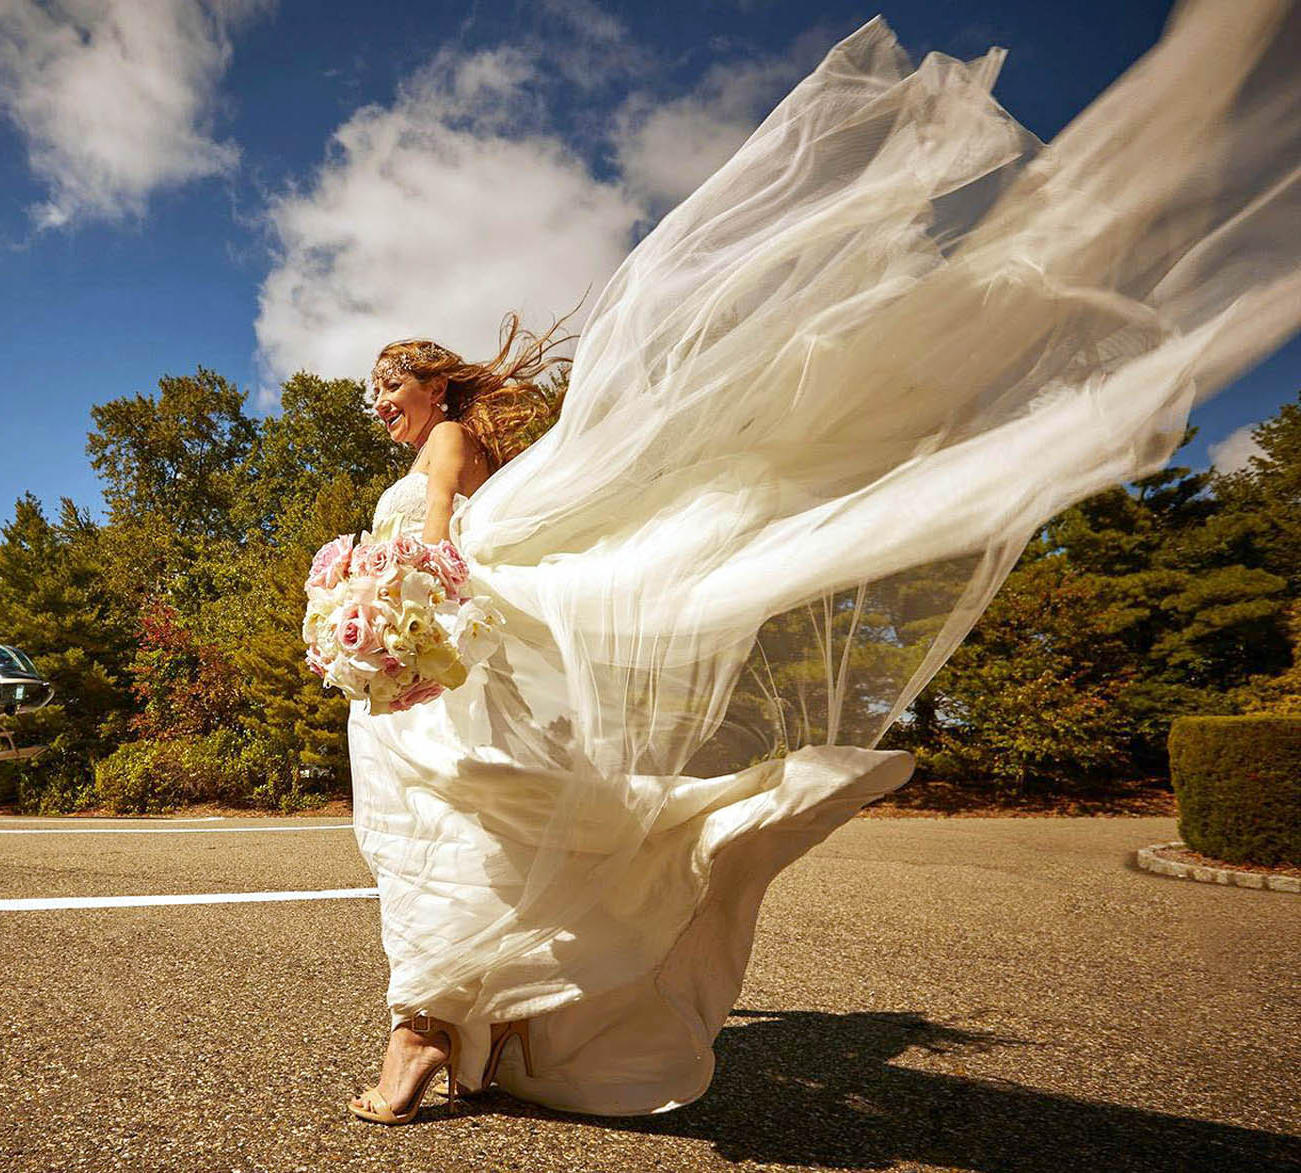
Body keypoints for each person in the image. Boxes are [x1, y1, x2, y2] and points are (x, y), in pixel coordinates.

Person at [344, 0, 1301, 1124]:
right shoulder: (439, 449)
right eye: (372, 395)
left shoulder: (453, 442)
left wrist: (400, 600)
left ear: (431, 385)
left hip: (438, 656)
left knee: (455, 833)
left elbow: (442, 539)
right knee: (463, 836)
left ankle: (425, 1036)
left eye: (388, 388)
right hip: (414, 671)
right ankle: (477, 1027)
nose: (379, 407)